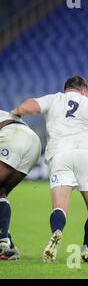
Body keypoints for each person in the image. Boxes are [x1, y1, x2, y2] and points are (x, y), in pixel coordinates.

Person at [11, 75, 88, 264]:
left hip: (60, 155)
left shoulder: (55, 99)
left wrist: (15, 112)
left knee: (59, 206)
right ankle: (87, 249)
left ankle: (57, 232)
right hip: (86, 154)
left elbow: (29, 107)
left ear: (67, 89)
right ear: (84, 90)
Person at [0, 111, 41, 260]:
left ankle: (3, 240)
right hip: (33, 142)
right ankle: (8, 247)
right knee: (1, 192)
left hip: (13, 135)